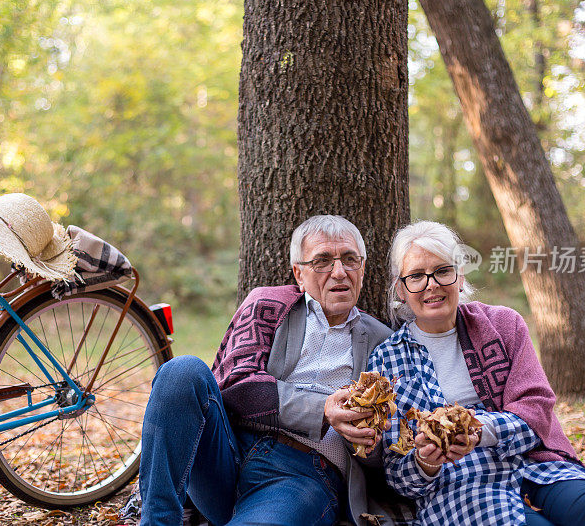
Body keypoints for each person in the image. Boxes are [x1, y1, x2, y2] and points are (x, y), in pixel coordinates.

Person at [368, 220, 585, 525]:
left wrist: (478, 430)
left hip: (537, 465)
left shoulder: (502, 325)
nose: (431, 284)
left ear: (459, 276)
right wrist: (424, 462)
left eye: (442, 271)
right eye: (417, 276)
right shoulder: (387, 360)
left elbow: (536, 410)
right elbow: (397, 472)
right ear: (401, 290)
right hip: (460, 487)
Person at [135, 215, 394, 526]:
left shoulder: (382, 341)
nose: (339, 272)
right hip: (228, 451)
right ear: (299, 273)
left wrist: (368, 438)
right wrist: (322, 409)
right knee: (180, 372)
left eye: (350, 260)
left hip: (302, 474)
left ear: (362, 269)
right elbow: (237, 386)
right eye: (323, 261)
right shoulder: (268, 303)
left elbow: (385, 456)